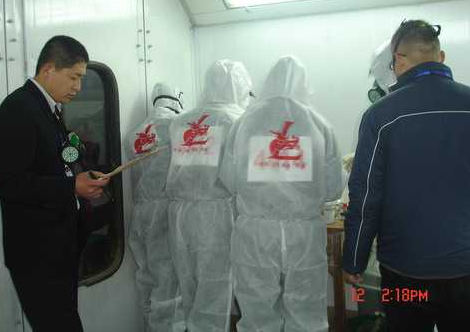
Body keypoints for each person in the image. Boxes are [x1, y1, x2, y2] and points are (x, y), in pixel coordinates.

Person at [343, 20, 470, 332]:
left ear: (398, 61)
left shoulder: (380, 116)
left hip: (405, 272)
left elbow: (366, 196)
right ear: (441, 57)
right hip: (469, 268)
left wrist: (354, 260)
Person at [0, 35, 110, 332]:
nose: (78, 87)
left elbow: (56, 159)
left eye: (81, 78)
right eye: (73, 77)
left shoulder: (50, 109)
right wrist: (72, 187)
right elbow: (8, 183)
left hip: (59, 247)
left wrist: (85, 172)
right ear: (48, 69)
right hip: (37, 254)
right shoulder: (18, 109)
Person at [220, 56, 345, 332]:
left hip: (255, 232)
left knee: (256, 308)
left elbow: (228, 180)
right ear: (304, 84)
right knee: (307, 308)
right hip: (304, 233)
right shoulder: (319, 124)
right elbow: (334, 187)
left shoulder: (244, 122)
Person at [166, 59, 252, 332]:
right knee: (214, 288)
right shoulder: (237, 120)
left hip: (180, 213)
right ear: (240, 85)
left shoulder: (180, 120)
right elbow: (239, 177)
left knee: (189, 284)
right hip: (217, 214)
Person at [128, 82, 184, 332]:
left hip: (141, 212)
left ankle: (151, 327)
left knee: (147, 278)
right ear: (176, 99)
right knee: (169, 282)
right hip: (165, 212)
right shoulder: (176, 125)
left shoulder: (135, 132)